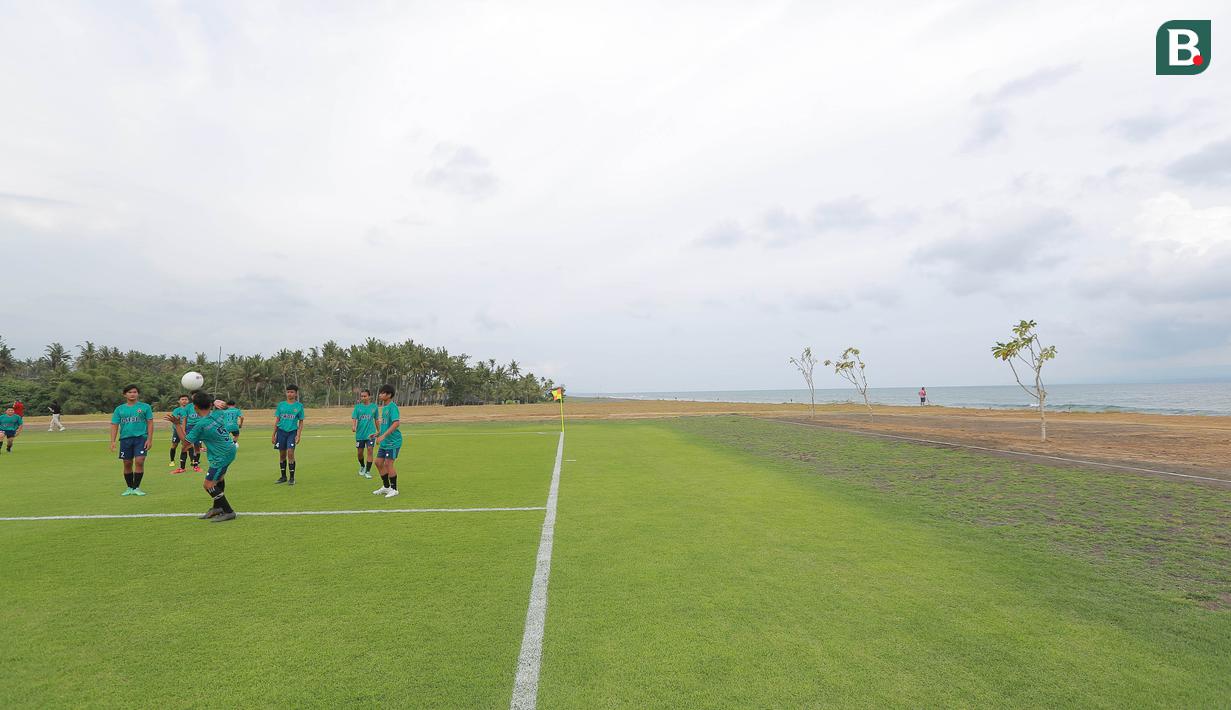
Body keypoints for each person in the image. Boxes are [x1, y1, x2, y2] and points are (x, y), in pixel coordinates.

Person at [165, 391, 238, 522]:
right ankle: (217, 508)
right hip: (228, 449)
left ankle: (229, 511)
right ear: (210, 405)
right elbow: (226, 408)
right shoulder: (218, 414)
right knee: (219, 478)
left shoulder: (201, 425)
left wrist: (176, 424)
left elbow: (186, 443)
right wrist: (216, 402)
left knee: (208, 485)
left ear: (195, 407)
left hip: (221, 454)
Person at [109, 384, 154, 496]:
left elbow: (150, 423)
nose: (132, 394)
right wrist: (113, 441)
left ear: (137, 394)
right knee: (127, 463)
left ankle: (136, 488)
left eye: (134, 392)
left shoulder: (145, 407)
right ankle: (129, 488)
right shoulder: (119, 409)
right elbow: (114, 424)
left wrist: (149, 439)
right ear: (125, 394)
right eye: (129, 392)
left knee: (139, 461)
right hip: (125, 439)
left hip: (141, 438)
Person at [371, 384, 403, 498]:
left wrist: (383, 436)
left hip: (393, 441)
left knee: (388, 464)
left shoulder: (392, 407)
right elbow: (386, 424)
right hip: (385, 442)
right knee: (378, 463)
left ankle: (394, 489)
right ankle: (386, 487)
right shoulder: (385, 408)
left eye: (382, 393)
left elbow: (396, 423)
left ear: (389, 395)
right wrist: (378, 433)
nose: (380, 395)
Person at [272, 384, 305, 485]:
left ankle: (292, 478)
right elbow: (277, 420)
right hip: (281, 432)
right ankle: (283, 477)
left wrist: (298, 435)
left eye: (292, 392)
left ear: (296, 394)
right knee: (282, 455)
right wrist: (273, 434)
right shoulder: (281, 405)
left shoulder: (299, 406)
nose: (289, 394)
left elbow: (301, 422)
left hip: (292, 432)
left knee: (290, 453)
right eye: (288, 392)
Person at [351, 389, 378, 479]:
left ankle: (368, 471)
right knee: (359, 453)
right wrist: (354, 426)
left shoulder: (374, 407)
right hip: (360, 434)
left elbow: (376, 419)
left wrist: (379, 431)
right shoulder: (358, 407)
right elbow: (354, 418)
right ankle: (362, 466)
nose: (363, 398)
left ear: (369, 396)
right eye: (362, 396)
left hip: (371, 434)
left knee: (370, 450)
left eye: (365, 396)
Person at [169, 394, 191, 469]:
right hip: (177, 430)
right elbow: (174, 420)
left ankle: (193, 461)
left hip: (188, 430)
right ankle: (172, 460)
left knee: (188, 445)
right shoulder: (176, 410)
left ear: (188, 401)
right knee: (174, 445)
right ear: (179, 401)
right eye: (182, 399)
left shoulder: (191, 410)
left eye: (186, 399)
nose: (184, 401)